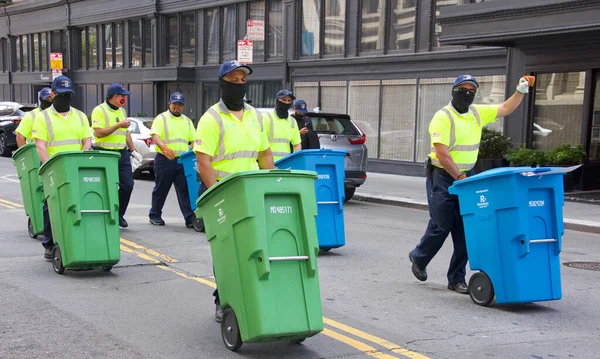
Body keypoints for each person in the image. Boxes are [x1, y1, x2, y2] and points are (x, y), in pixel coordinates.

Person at [408, 74, 536, 294]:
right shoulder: (443, 117)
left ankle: (456, 278)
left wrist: (521, 91)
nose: (467, 94)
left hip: (467, 176)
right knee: (442, 225)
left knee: (467, 229)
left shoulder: (477, 112)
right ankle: (419, 257)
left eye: (471, 90)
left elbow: (505, 108)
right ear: (454, 90)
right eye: (463, 89)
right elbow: (442, 153)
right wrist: (458, 176)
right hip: (443, 176)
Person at [194, 60, 274, 323]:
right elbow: (203, 161)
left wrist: (271, 183)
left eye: (242, 80)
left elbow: (264, 152)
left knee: (254, 246)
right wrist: (217, 195)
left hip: (251, 193)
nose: (239, 85)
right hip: (224, 195)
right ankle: (223, 300)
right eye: (233, 80)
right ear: (221, 83)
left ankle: (251, 295)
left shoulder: (255, 116)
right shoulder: (211, 118)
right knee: (226, 251)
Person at [32, 75, 92, 259]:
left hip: (76, 166)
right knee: (51, 204)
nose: (65, 98)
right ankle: (49, 244)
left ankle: (75, 239)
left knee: (77, 202)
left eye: (68, 95)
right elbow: (40, 145)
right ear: (52, 94)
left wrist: (82, 156)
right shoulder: (43, 118)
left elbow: (87, 140)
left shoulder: (80, 116)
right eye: (61, 94)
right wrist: (50, 165)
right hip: (52, 167)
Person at [91, 84, 136, 228]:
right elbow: (99, 133)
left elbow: (126, 132)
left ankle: (119, 214)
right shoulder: (99, 110)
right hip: (106, 153)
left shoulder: (122, 111)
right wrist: (118, 125)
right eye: (123, 96)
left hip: (122, 153)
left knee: (128, 185)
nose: (125, 99)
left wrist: (133, 149)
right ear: (115, 97)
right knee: (107, 187)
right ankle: (105, 214)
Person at [148, 92, 196, 228]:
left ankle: (189, 218)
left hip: (183, 160)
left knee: (184, 190)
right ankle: (155, 215)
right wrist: (163, 147)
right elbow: (155, 135)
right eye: (175, 104)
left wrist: (195, 153)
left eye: (180, 105)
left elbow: (194, 140)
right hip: (165, 160)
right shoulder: (161, 118)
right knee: (161, 189)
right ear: (169, 104)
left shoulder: (187, 121)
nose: (177, 107)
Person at [263, 89, 301, 161]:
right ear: (277, 101)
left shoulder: (292, 121)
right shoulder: (266, 118)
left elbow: (297, 145)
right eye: (284, 100)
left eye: (289, 101)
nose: (286, 103)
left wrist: (295, 162)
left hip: (285, 165)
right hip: (268, 166)